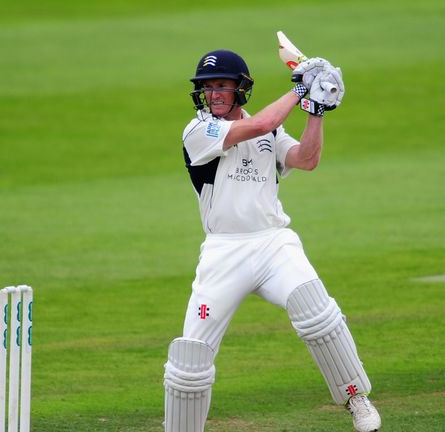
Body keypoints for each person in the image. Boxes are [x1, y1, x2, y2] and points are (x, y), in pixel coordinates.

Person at [161, 49, 382, 432]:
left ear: (241, 89)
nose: (213, 95)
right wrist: (301, 87)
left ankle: (356, 399)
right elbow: (262, 123)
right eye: (207, 88)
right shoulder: (198, 130)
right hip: (223, 251)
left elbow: (306, 158)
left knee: (316, 310)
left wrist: (316, 109)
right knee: (190, 358)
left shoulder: (271, 131)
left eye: (222, 87)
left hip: (273, 243)